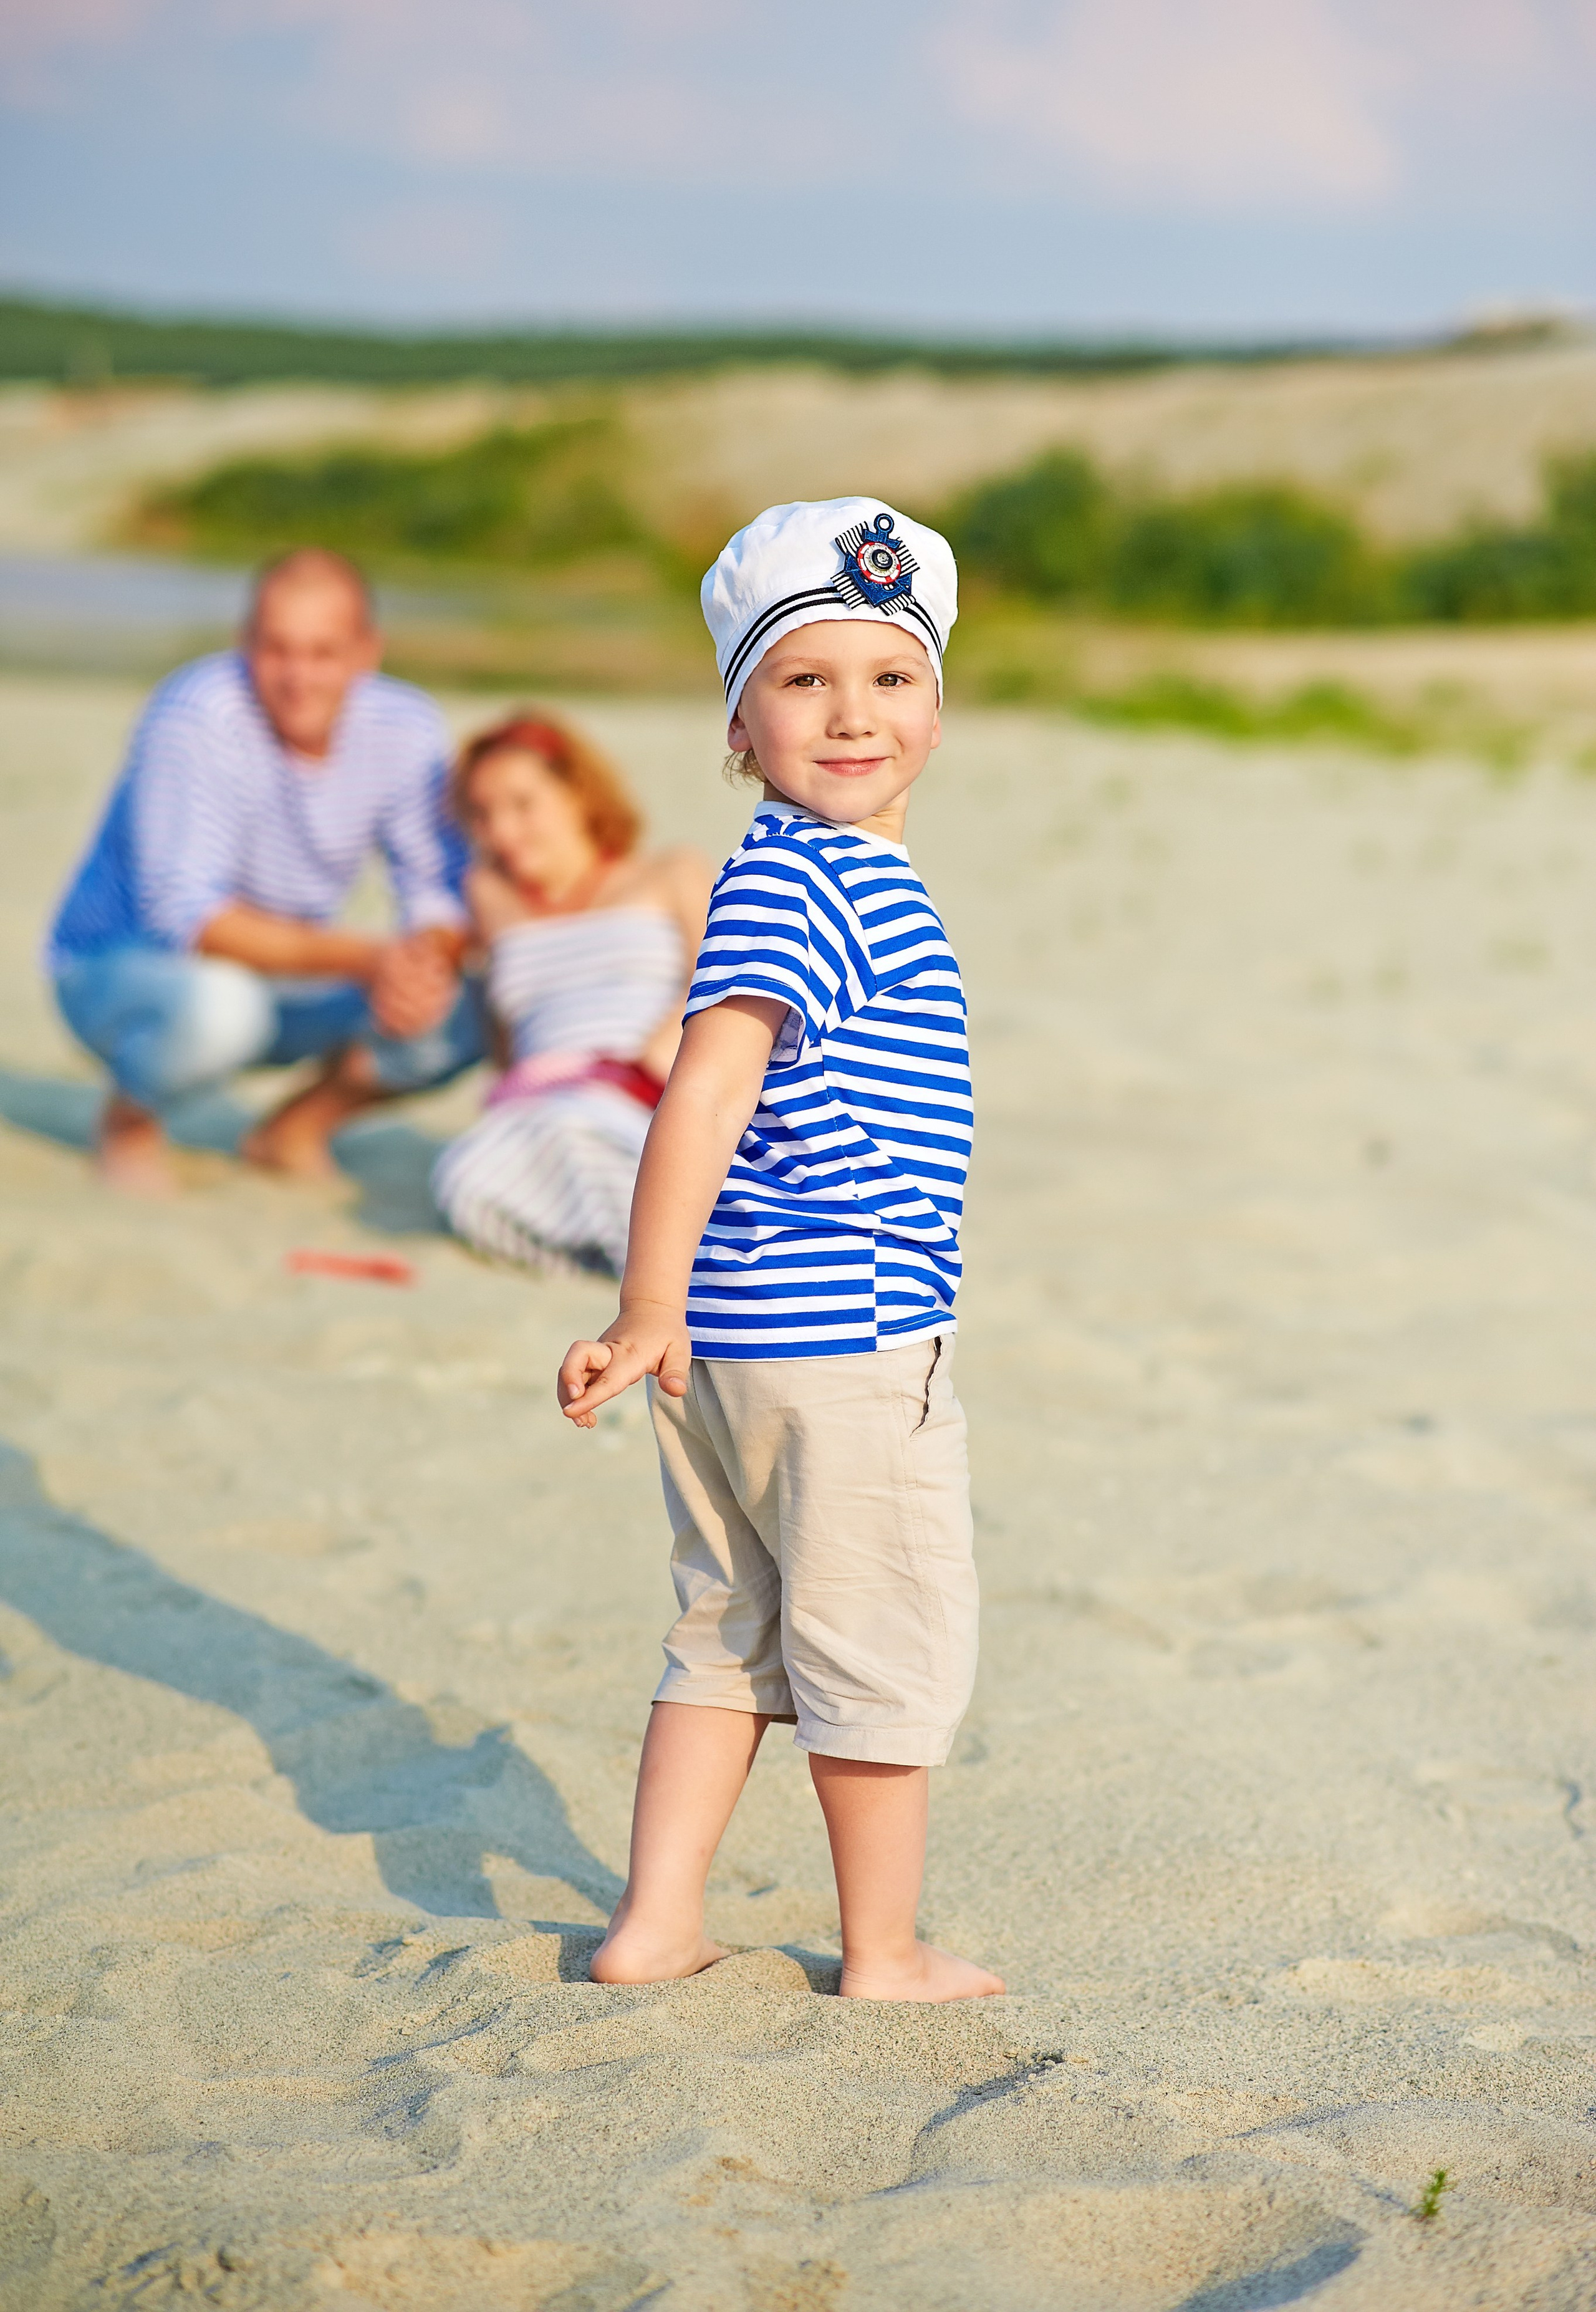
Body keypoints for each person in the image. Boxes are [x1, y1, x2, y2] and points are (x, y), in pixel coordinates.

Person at [557, 498, 1002, 2003]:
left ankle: (652, 1921)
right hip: (836, 1338)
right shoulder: (805, 879)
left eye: (887, 677)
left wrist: (668, 1314)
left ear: (935, 710)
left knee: (724, 1630)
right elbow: (702, 1087)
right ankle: (880, 1949)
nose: (852, 713)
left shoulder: (805, 868)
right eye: (804, 680)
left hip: (734, 1341)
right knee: (874, 1644)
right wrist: (640, 1297)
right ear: (738, 723)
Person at [47, 549, 481, 1195]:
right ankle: (128, 1119)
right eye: (277, 650)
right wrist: (371, 958)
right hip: (119, 966)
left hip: (286, 974)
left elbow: (437, 890)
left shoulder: (407, 726)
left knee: (462, 1009)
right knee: (224, 1009)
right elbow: (187, 918)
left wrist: (421, 960)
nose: (298, 676)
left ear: (367, 652)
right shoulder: (196, 714)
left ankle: (293, 1129)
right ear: (244, 644)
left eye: (323, 652)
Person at [430, 713, 710, 1276]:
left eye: (522, 804)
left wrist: (674, 1033)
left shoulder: (669, 872)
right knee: (465, 1176)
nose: (502, 832)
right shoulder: (489, 897)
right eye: (481, 816)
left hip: (642, 1085)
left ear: (578, 792)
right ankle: (640, 1263)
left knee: (585, 1141)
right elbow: (504, 1035)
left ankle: (657, 1265)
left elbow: (732, 974)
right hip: (537, 1099)